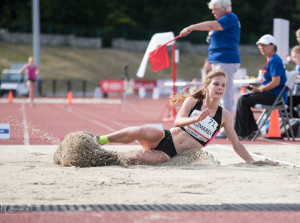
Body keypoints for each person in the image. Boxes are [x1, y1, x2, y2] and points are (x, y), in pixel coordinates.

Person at [91, 70, 254, 165]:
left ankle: (97, 158)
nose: (220, 88)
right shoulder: (193, 101)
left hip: (172, 153)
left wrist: (252, 162)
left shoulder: (224, 115)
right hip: (165, 137)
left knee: (132, 159)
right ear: (207, 87)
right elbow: (178, 121)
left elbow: (237, 144)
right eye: (216, 84)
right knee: (139, 130)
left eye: (223, 85)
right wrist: (196, 120)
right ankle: (99, 139)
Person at [180, 0, 241, 117]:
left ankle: (227, 124)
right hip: (218, 60)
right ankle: (216, 121)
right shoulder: (222, 21)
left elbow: (211, 25)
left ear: (224, 7)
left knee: (224, 93)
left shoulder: (230, 18)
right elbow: (215, 43)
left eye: (215, 9)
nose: (213, 11)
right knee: (214, 93)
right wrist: (209, 61)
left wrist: (191, 27)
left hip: (226, 60)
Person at [234, 34, 287, 140]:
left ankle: (243, 133)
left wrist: (260, 89)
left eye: (264, 45)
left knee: (243, 100)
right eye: (260, 46)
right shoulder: (271, 60)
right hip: (271, 94)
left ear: (272, 46)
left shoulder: (275, 60)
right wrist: (257, 89)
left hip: (275, 96)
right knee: (244, 99)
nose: (261, 48)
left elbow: (276, 82)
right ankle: (251, 130)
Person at [287, 45, 300, 118]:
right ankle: (296, 120)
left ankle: (296, 121)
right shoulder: (298, 66)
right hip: (297, 94)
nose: (294, 59)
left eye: (295, 57)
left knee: (282, 102)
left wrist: (294, 75)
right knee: (282, 101)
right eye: (293, 57)